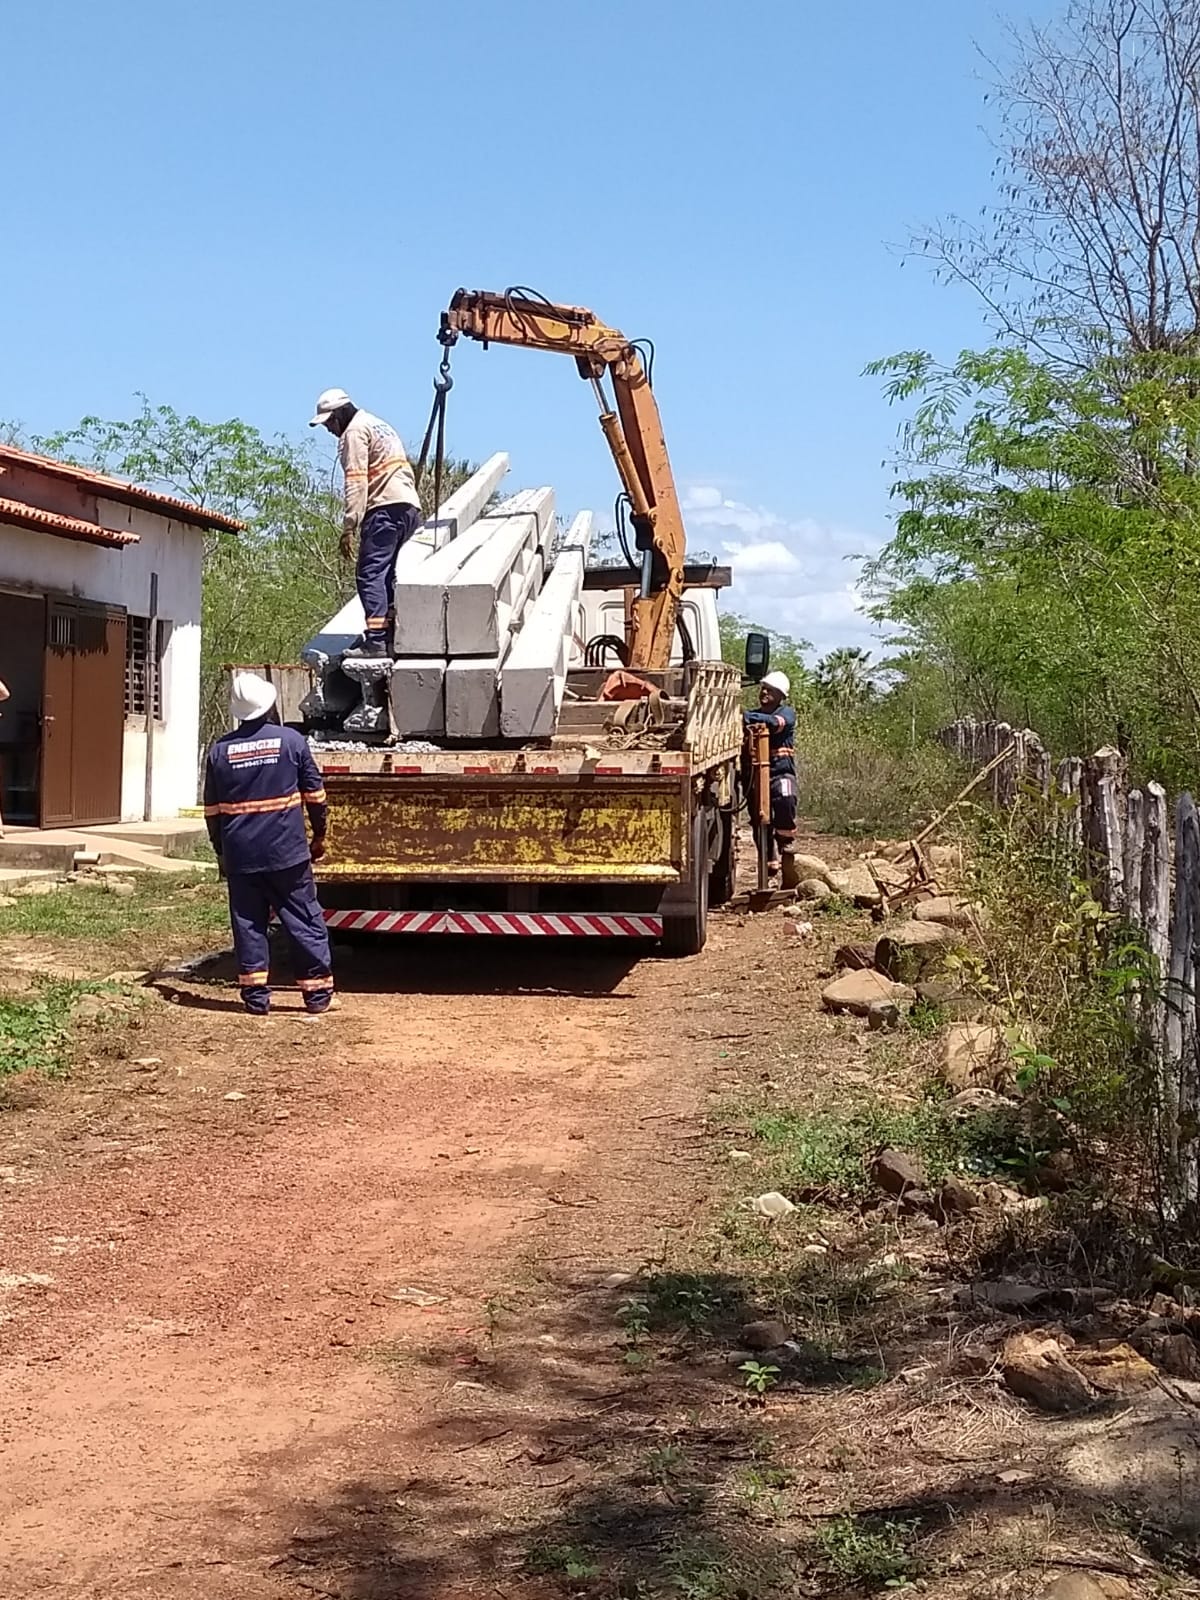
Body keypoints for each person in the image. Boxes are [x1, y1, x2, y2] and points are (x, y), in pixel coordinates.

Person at [204, 672, 334, 1016]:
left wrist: (222, 852)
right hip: (286, 854)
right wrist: (319, 836)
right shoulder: (291, 741)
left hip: (241, 857)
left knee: (248, 924)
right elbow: (316, 796)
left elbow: (213, 812)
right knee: (304, 920)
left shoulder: (219, 752)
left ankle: (256, 998)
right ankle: (317, 995)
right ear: (268, 704)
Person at [309, 388, 423, 658]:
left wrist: (349, 526)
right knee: (389, 574)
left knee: (370, 573)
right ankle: (393, 634)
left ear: (338, 415)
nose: (329, 430)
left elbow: (356, 480)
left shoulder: (354, 432)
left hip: (383, 509)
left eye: (328, 423)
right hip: (408, 508)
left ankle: (376, 641)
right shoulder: (378, 424)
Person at [743, 671, 797, 876]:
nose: (764, 692)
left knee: (786, 798)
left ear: (780, 695)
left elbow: (775, 723)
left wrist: (746, 717)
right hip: (755, 777)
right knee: (759, 817)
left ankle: (785, 842)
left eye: (770, 690)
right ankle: (768, 860)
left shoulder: (787, 714)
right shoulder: (753, 715)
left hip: (781, 773)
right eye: (763, 689)